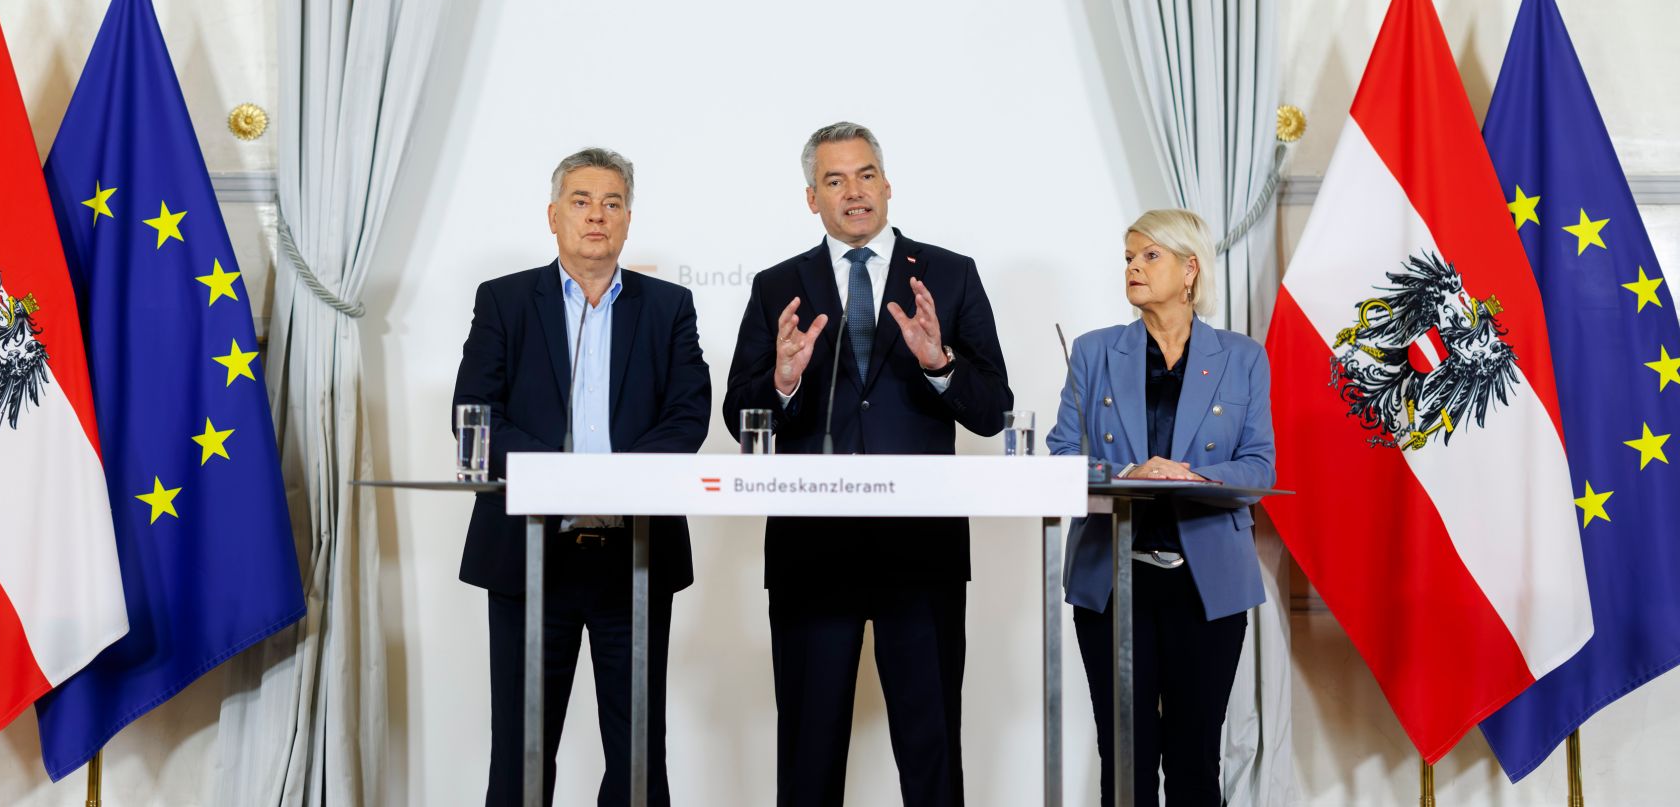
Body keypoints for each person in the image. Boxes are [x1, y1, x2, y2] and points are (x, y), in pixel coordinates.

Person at [722, 121, 1013, 807]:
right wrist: (784, 380)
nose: (854, 192)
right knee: (808, 748)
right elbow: (740, 414)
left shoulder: (948, 273)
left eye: (865, 175)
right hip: (811, 549)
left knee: (932, 745)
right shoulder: (777, 286)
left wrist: (940, 363)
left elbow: (993, 406)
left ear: (887, 184)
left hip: (922, 549)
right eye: (834, 179)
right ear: (810, 197)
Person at [453, 148, 711, 807]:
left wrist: (617, 484)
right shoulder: (505, 301)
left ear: (627, 220)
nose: (596, 214)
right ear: (553, 215)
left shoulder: (668, 307)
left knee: (637, 761)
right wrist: (564, 479)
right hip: (529, 557)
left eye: (612, 202)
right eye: (580, 200)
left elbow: (687, 416)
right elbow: (475, 415)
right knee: (521, 757)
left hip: (635, 557)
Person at [1046, 208, 1274, 807]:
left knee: (1194, 761)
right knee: (1125, 762)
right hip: (1113, 583)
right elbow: (1060, 458)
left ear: (1190, 269)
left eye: (1150, 256)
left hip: (1209, 585)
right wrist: (1127, 473)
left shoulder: (1243, 357)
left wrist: (1187, 474)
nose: (1133, 269)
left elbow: (1258, 466)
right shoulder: (1093, 353)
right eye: (1128, 258)